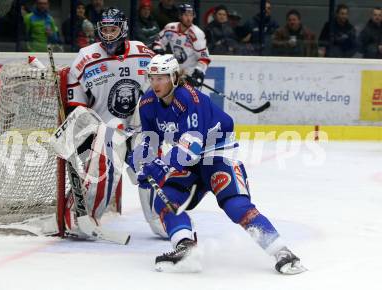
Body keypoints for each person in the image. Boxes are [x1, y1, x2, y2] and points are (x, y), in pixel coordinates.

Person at [127, 54, 306, 274]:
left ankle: (282, 251)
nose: (155, 83)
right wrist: (141, 160)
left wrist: (162, 166)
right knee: (166, 199)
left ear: (174, 77)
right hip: (189, 161)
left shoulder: (188, 98)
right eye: (152, 77)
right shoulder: (147, 104)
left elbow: (191, 148)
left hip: (216, 153)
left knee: (235, 205)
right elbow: (149, 139)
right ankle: (185, 248)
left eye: (162, 77)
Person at [62, 7, 154, 234]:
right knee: (107, 169)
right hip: (103, 128)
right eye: (104, 29)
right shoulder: (86, 57)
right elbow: (76, 104)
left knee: (151, 169)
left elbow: (159, 86)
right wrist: (86, 133)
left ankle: (160, 218)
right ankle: (82, 216)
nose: (108, 34)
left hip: (138, 128)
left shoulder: (143, 52)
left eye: (113, 29)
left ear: (123, 29)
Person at [152, 3, 210, 87]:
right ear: (179, 16)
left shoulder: (197, 34)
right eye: (186, 15)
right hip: (175, 72)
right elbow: (158, 41)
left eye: (191, 15)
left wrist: (199, 71)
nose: (189, 18)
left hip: (189, 74)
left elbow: (204, 57)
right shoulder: (170, 28)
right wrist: (158, 48)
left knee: (187, 99)